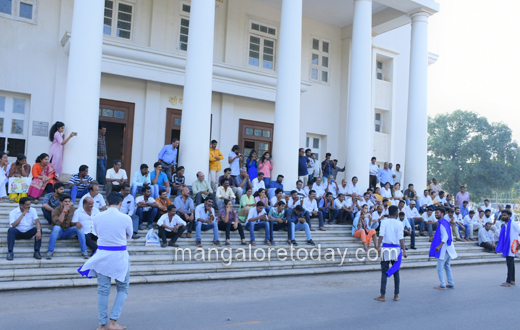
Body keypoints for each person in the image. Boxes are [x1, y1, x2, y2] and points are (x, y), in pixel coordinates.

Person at [77, 192, 132, 330]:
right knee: (123, 288)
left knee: (103, 291)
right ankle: (113, 322)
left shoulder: (97, 217)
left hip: (102, 255)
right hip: (119, 256)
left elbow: (95, 233)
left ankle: (102, 324)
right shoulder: (126, 218)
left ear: (106, 203)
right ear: (121, 203)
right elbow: (129, 235)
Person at [374, 205, 407, 302]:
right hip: (396, 249)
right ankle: (396, 295)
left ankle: (382, 295)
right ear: (397, 214)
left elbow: (381, 235)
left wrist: (377, 247)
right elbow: (401, 238)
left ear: (388, 213)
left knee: (384, 271)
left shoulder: (384, 222)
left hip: (385, 248)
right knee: (396, 272)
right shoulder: (400, 223)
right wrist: (404, 250)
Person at [46, 194, 89, 259]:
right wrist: (64, 211)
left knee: (79, 228)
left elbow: (72, 223)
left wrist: (76, 223)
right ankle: (50, 251)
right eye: (65, 201)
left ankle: (84, 251)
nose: (67, 203)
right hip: (59, 233)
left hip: (68, 232)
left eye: (69, 201)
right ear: (61, 202)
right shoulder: (55, 211)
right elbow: (58, 222)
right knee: (56, 227)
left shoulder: (72, 209)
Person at [429, 207, 458, 290]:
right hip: (449, 248)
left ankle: (442, 285)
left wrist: (439, 246)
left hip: (444, 249)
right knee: (447, 266)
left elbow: (445, 237)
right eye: (435, 213)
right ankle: (451, 283)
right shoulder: (445, 222)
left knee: (439, 266)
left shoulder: (442, 223)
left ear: (442, 214)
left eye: (437, 212)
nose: (436, 214)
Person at [495, 210, 520, 287]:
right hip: (507, 246)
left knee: (509, 264)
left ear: (509, 215)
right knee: (511, 264)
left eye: (505, 215)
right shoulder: (505, 224)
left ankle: (508, 281)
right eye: (502, 215)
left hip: (512, 246)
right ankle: (512, 280)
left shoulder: (513, 223)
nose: (503, 216)